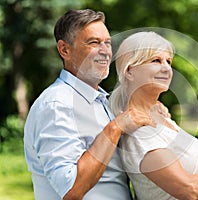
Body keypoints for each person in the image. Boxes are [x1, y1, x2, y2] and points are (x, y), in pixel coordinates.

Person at [23, 9, 157, 200]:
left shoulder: (102, 103)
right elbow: (71, 189)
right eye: (93, 42)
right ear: (64, 50)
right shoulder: (56, 104)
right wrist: (115, 128)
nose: (105, 51)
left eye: (107, 43)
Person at [109, 31, 198, 200]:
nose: (166, 68)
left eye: (169, 61)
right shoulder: (140, 134)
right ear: (129, 71)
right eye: (156, 60)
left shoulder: (162, 116)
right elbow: (189, 190)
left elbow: (193, 168)